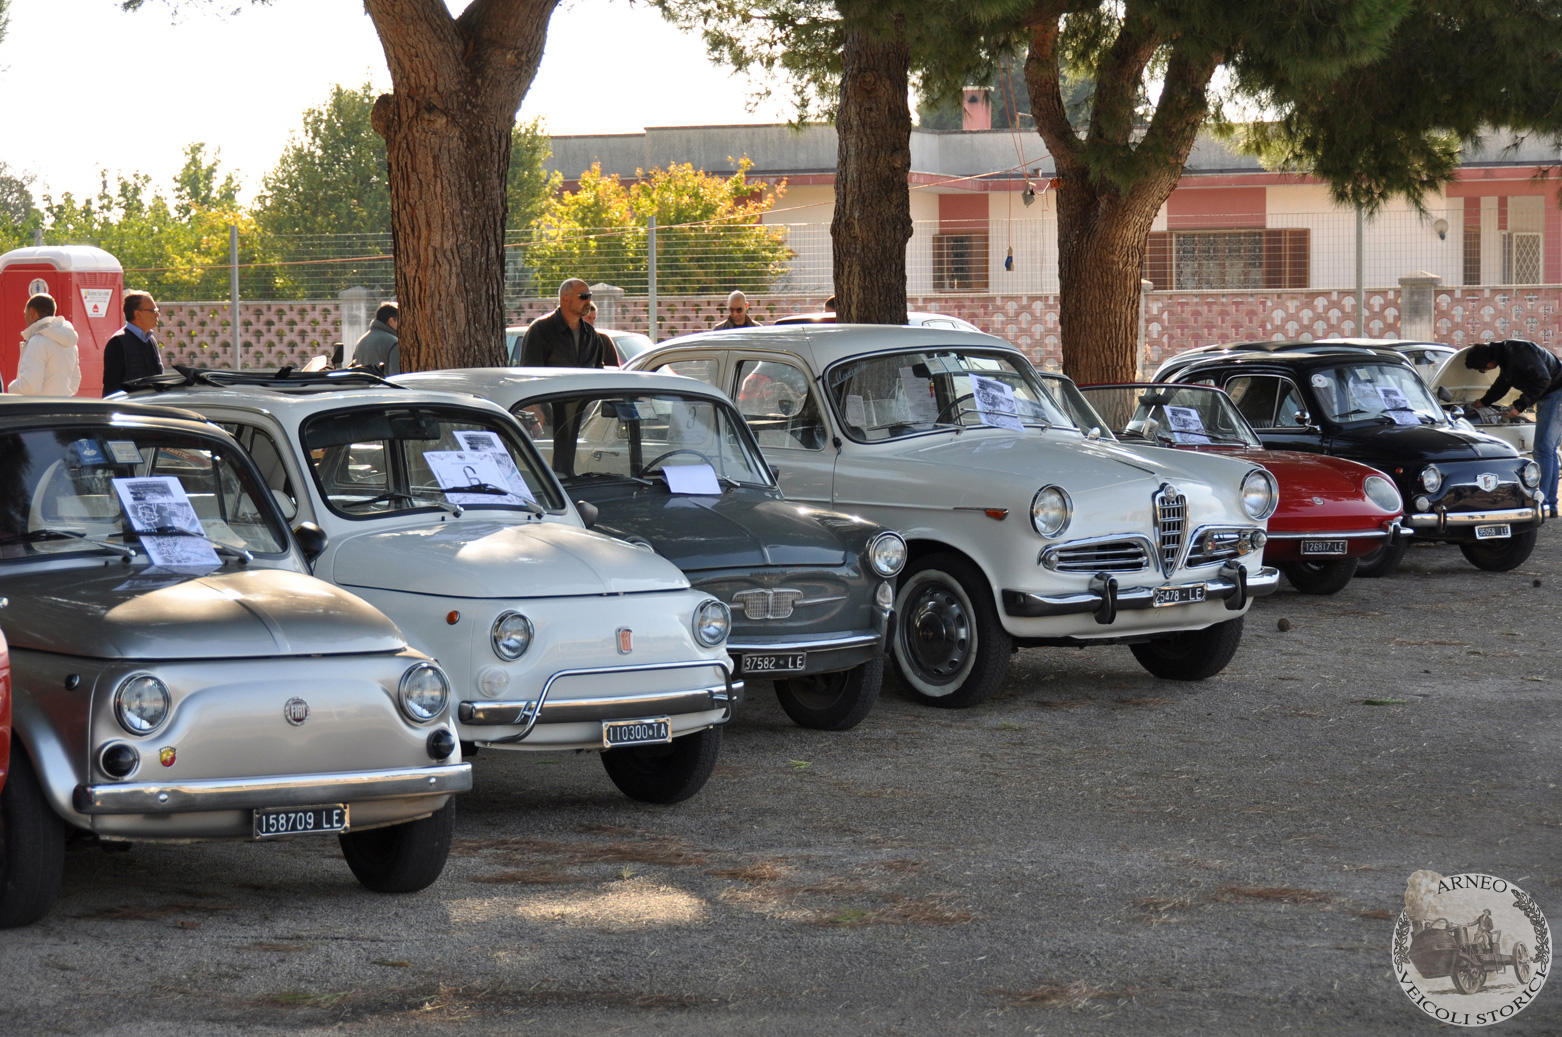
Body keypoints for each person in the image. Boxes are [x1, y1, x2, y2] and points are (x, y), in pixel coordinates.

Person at [1465, 338, 1562, 516]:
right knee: (1549, 450)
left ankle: (1544, 503)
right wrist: (1484, 401)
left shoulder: (1518, 352)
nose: (1484, 371)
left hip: (1556, 393)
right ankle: (1551, 504)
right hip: (1551, 394)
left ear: (1489, 362)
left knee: (1543, 449)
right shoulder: (1506, 355)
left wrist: (1519, 406)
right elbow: (1503, 383)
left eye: (1482, 368)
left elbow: (1543, 378)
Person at [518, 278, 605, 369]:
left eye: (589, 296)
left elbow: (598, 372)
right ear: (566, 299)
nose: (588, 301)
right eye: (583, 296)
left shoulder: (590, 334)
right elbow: (530, 373)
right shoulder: (540, 330)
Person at [12, 293, 81, 396]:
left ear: (32, 312)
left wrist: (11, 389)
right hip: (64, 406)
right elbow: (74, 383)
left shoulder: (37, 341)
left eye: (25, 313)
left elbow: (29, 386)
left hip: (39, 408)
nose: (25, 317)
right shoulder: (70, 342)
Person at [102, 291, 163, 396]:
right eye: (153, 311)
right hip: (130, 409)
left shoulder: (151, 340)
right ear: (138, 314)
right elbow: (111, 388)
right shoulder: (118, 342)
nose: (157, 314)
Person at [352, 301, 399, 375]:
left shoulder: (361, 341)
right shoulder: (393, 342)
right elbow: (397, 378)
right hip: (384, 386)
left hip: (364, 386)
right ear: (391, 321)